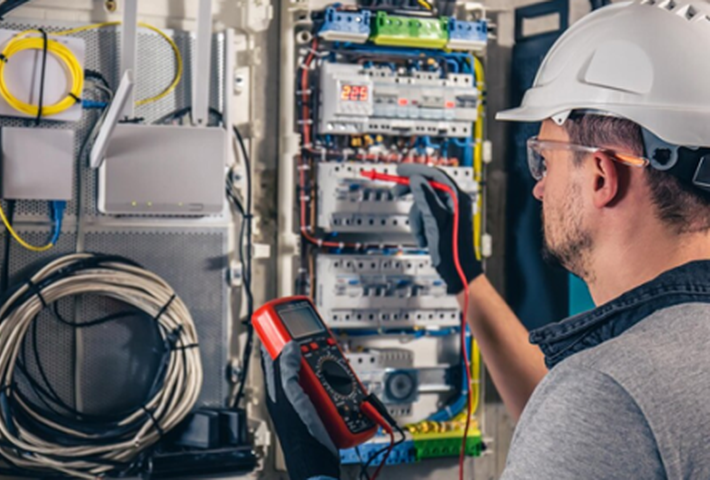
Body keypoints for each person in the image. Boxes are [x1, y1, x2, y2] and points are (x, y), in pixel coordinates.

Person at [262, 0, 710, 477]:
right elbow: (578, 424)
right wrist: (465, 278)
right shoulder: (630, 383)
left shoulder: (605, 395)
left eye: (545, 159)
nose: (538, 186)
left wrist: (315, 473)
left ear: (601, 175)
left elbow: (593, 414)